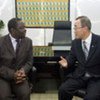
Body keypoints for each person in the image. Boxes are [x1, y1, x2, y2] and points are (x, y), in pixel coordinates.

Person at [58, 16, 100, 100]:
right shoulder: (75, 43)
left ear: (84, 28)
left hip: (96, 78)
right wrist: (67, 63)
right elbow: (71, 57)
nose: (74, 31)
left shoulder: (98, 41)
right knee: (63, 90)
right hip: (80, 76)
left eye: (76, 28)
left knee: (90, 98)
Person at [0, 18, 33, 100]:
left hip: (20, 77)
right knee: (4, 97)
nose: (25, 30)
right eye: (21, 28)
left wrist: (23, 71)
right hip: (3, 77)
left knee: (25, 94)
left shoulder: (28, 42)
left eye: (24, 27)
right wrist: (12, 74)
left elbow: (29, 61)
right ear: (12, 30)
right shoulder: (1, 42)